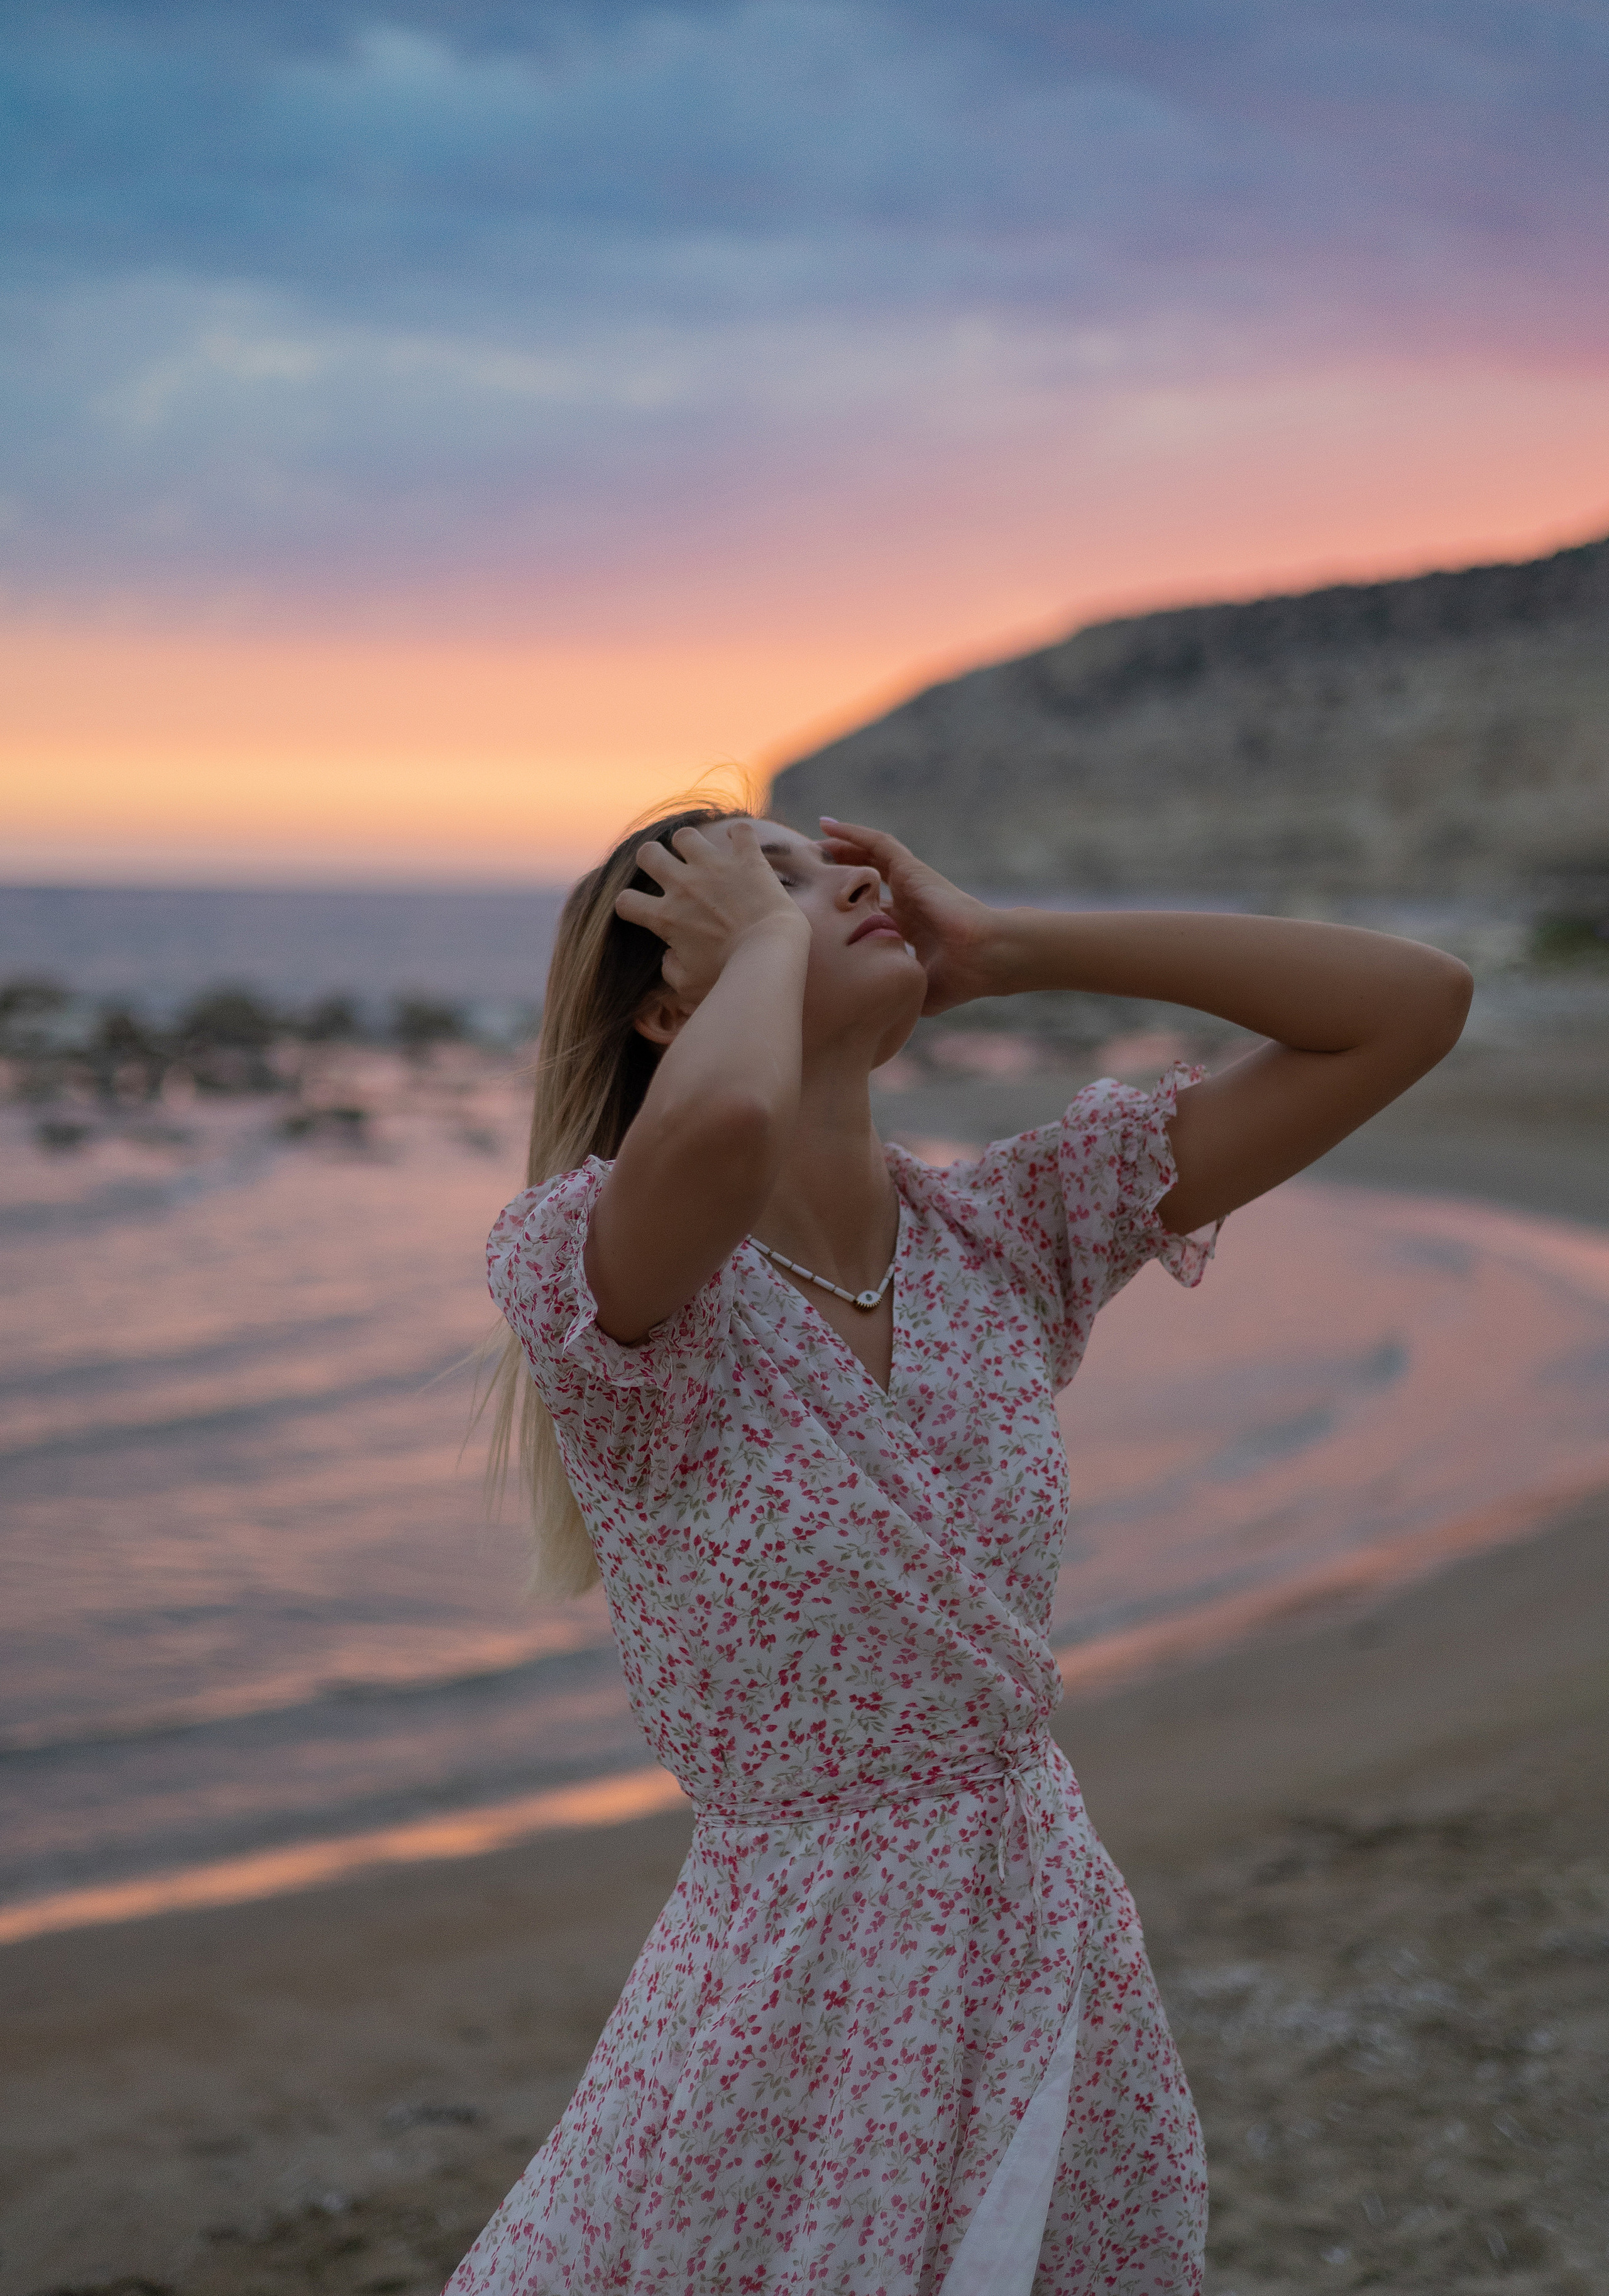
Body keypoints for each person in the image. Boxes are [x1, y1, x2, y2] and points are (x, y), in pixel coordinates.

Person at [449, 802, 1471, 2296]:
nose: (839, 882)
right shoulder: (610, 1279)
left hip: (1031, 1932)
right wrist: (772, 944)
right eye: (772, 880)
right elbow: (726, 1129)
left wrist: (1008, 946)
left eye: (824, 861)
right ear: (679, 1003)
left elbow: (1410, 1007)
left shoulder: (1004, 1237)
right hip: (785, 1989)